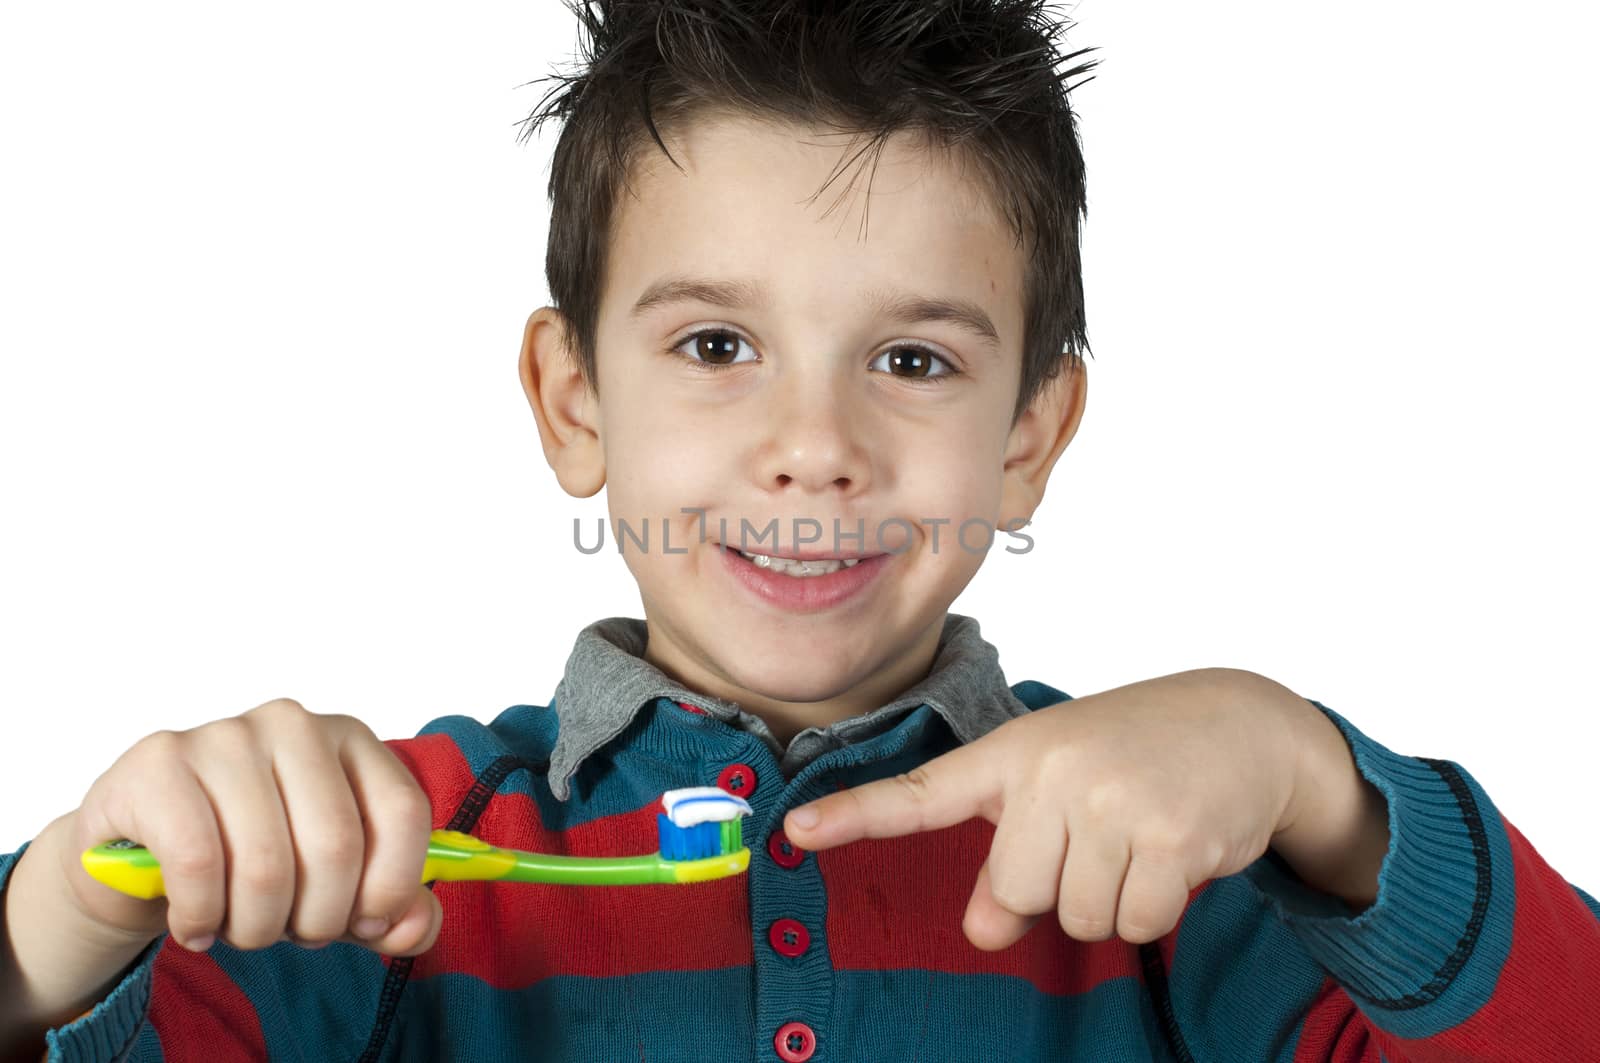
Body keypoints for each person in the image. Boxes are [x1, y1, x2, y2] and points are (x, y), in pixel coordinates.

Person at [3, 1, 1597, 1060]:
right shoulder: (379, 866)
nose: (814, 449)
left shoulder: (1175, 875)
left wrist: (1313, 775)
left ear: (1031, 436)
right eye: (715, 347)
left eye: (913, 362)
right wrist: (75, 908)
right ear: (572, 401)